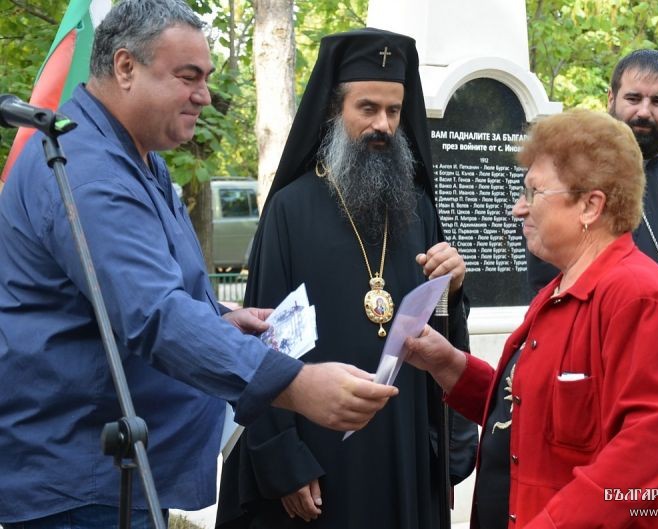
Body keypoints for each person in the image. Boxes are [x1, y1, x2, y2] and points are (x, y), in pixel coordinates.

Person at [0, 2, 397, 527]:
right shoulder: (90, 170)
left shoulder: (139, 157)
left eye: (206, 78)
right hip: (84, 482)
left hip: (116, 471)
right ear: (125, 67)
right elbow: (155, 315)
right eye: (188, 77)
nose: (204, 96)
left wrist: (219, 319)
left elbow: (157, 292)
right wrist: (293, 383)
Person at [405, 109, 658, 529]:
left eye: (533, 192)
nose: (518, 209)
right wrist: (447, 364)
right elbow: (527, 411)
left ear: (590, 205)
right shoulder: (559, 291)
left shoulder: (638, 297)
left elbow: (647, 447)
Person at [216, 28, 478, 529]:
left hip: (401, 440)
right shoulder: (290, 210)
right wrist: (284, 461)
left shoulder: (417, 208)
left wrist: (454, 287)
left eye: (394, 112)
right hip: (318, 449)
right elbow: (265, 339)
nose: (383, 125)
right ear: (336, 110)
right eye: (368, 108)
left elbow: (439, 328)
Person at [527, 50, 658, 420]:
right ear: (611, 99)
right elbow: (548, 275)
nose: (645, 111)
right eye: (633, 98)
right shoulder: (568, 182)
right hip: (604, 362)